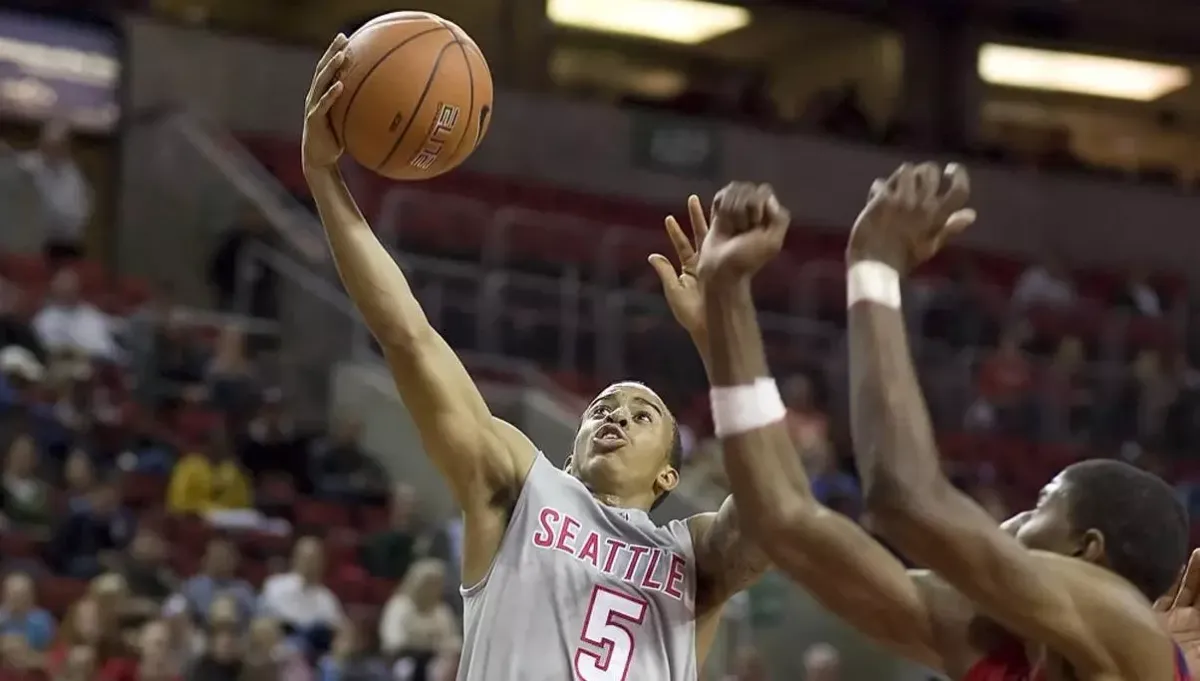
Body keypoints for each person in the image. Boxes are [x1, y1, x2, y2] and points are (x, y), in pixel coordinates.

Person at [302, 34, 767, 679]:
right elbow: (410, 337)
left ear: (669, 477)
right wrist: (325, 178)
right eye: (604, 406)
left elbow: (775, 503)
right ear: (573, 440)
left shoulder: (696, 558)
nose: (615, 416)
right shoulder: (523, 488)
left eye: (643, 416)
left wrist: (722, 336)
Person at [690, 174, 1194, 681]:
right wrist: (726, 297)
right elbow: (786, 521)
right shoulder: (991, 644)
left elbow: (907, 500)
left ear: (1086, 550)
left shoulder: (1126, 629)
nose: (1010, 521)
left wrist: (875, 265)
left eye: (1041, 507)